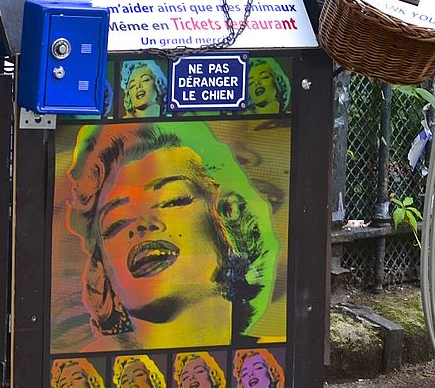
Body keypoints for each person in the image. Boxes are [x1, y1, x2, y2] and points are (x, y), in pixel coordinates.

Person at [65, 121, 278, 350]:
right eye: (116, 223)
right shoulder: (84, 374)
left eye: (172, 201)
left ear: (227, 221)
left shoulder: (279, 360)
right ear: (103, 271)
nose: (141, 225)